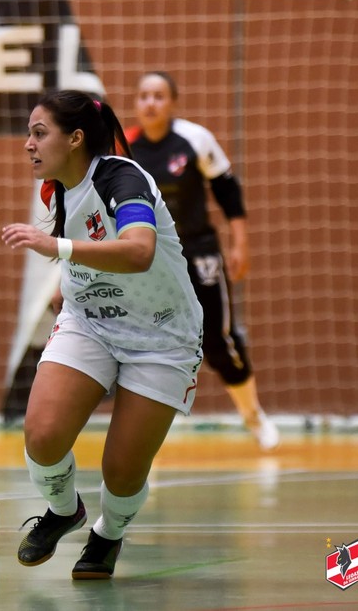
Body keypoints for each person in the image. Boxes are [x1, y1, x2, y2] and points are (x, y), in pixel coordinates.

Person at [1, 89, 204, 580]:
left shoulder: (123, 176)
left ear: (75, 138)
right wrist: (63, 283)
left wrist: (58, 248)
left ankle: (108, 534)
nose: (28, 143)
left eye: (39, 132)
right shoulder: (57, 187)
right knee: (43, 435)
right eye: (29, 132)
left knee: (122, 470)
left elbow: (137, 251)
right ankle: (63, 509)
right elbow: (84, 245)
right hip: (90, 321)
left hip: (162, 335)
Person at [128, 71, 279, 451]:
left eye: (159, 96)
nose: (150, 103)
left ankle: (253, 416)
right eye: (144, 95)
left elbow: (227, 189)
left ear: (173, 102)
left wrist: (240, 242)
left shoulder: (194, 140)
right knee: (147, 344)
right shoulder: (125, 148)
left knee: (216, 339)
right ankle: (148, 434)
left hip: (199, 252)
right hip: (152, 259)